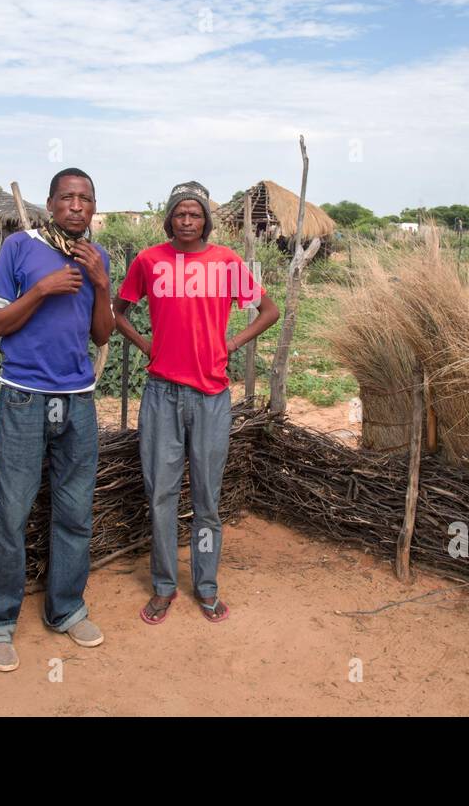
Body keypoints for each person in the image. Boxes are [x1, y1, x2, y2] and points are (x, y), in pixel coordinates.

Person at [114, 181, 280, 624]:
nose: (187, 220)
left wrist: (230, 343)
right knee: (161, 496)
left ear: (206, 219)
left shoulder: (226, 263)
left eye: (195, 214)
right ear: (169, 218)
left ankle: (206, 587)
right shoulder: (148, 261)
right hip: (161, 395)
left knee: (207, 500)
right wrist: (146, 345)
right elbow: (117, 312)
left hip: (210, 396)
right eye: (180, 213)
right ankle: (164, 587)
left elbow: (269, 310)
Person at [0, 167, 113, 672]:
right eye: (68, 198)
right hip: (25, 397)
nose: (77, 206)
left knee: (75, 510)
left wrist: (99, 282)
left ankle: (66, 608)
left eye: (86, 199)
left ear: (93, 208)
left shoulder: (98, 256)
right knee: (11, 509)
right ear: (51, 203)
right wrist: (42, 289)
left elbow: (101, 335)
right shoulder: (19, 248)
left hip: (78, 399)